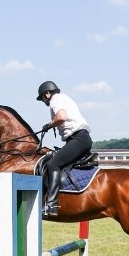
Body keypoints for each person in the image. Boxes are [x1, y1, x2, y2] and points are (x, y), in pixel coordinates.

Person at [36, 80, 92, 217]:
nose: (44, 101)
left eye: (43, 98)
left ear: (47, 93)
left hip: (78, 139)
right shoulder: (65, 98)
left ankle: (51, 204)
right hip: (79, 139)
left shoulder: (56, 100)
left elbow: (61, 117)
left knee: (53, 164)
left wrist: (50, 125)